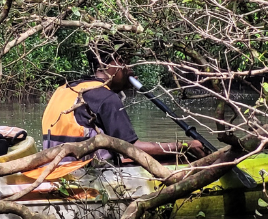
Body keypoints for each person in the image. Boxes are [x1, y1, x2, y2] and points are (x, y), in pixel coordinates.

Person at [41, 48, 203, 160]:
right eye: (128, 64)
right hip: (84, 176)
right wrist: (185, 146)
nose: (131, 71)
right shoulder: (106, 98)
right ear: (118, 62)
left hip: (54, 170)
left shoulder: (65, 89)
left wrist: (122, 84)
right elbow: (132, 150)